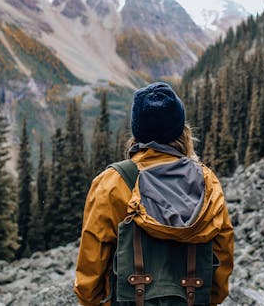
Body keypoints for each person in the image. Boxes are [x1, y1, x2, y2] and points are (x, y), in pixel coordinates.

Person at [74, 82, 234, 306]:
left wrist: (90, 300)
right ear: (182, 131)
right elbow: (222, 250)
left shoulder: (112, 183)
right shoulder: (207, 181)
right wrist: (211, 297)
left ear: (137, 132)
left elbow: (92, 261)